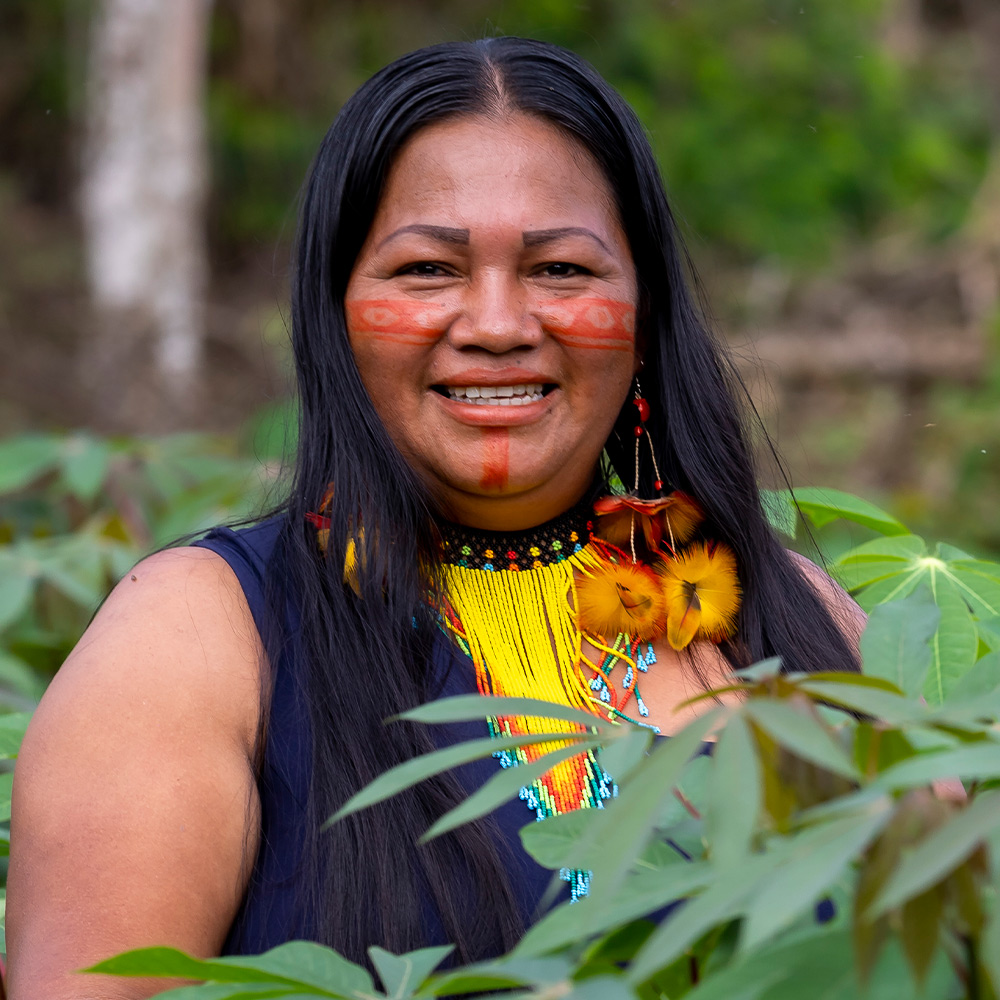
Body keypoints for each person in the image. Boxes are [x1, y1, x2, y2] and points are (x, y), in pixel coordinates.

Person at [6, 36, 863, 999]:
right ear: (334, 310)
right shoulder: (192, 638)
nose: (497, 325)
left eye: (561, 269)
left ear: (644, 310)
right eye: (426, 269)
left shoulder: (801, 622)